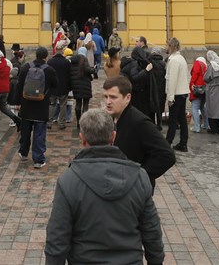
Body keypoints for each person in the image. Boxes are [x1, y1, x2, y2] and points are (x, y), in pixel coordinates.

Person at [44, 109, 165, 265]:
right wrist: (156, 261)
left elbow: (57, 236)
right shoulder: (139, 177)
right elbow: (151, 230)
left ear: (82, 139)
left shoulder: (68, 181)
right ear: (113, 137)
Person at [103, 75, 175, 190]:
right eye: (105, 97)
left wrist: (139, 176)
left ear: (127, 98)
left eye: (113, 97)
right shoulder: (116, 118)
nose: (108, 102)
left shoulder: (139, 122)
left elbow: (167, 155)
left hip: (135, 192)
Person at [16, 47, 57, 168]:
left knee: (25, 130)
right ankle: (38, 159)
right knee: (39, 133)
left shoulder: (26, 67)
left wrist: (18, 102)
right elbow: (55, 85)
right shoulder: (49, 70)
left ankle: (23, 153)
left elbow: (19, 86)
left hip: (26, 104)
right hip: (41, 105)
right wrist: (46, 94)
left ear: (36, 55)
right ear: (46, 57)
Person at [163, 37, 190, 152]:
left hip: (177, 94)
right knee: (182, 119)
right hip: (183, 92)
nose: (165, 48)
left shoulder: (173, 60)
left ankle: (168, 142)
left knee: (173, 120)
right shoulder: (181, 58)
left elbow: (172, 80)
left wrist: (170, 97)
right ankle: (183, 142)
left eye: (166, 45)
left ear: (171, 46)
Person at [120, 38, 156, 120]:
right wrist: (146, 70)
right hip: (136, 93)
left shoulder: (133, 63)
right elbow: (135, 77)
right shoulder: (134, 64)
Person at [68, 47, 96, 129]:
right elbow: (87, 70)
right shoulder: (84, 59)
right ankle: (84, 122)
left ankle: (78, 122)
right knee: (86, 104)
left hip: (75, 85)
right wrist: (93, 69)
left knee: (78, 103)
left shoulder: (72, 60)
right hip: (85, 84)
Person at [47, 42, 72, 129]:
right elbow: (70, 75)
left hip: (52, 87)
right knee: (63, 105)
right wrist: (70, 86)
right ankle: (62, 123)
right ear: (62, 51)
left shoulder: (50, 61)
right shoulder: (66, 62)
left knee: (51, 104)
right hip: (64, 87)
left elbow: (47, 75)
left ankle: (49, 122)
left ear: (55, 50)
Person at [203, 50, 219, 134]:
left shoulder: (211, 67)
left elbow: (206, 78)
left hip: (212, 89)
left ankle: (213, 128)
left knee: (212, 109)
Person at [189, 55, 207, 132]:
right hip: (204, 89)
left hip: (197, 89)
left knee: (195, 108)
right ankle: (206, 124)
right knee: (202, 107)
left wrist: (191, 84)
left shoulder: (197, 63)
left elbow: (194, 74)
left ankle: (196, 127)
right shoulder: (206, 65)